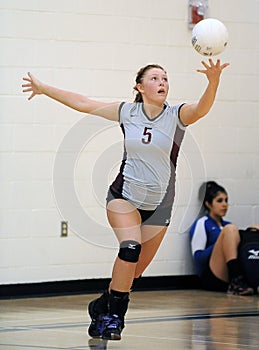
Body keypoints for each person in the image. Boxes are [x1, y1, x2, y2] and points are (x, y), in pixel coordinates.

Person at [22, 59, 229, 340]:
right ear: (140, 87)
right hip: (124, 198)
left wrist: (213, 81)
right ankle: (114, 318)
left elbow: (201, 109)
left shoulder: (176, 115)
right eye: (155, 78)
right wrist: (44, 88)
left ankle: (99, 306)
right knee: (129, 249)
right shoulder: (127, 112)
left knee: (133, 274)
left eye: (165, 78)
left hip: (159, 207)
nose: (162, 83)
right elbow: (84, 103)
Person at [190, 181, 255, 295]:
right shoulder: (202, 223)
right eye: (219, 201)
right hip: (211, 276)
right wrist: (221, 242)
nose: (224, 204)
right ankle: (236, 281)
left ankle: (243, 281)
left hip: (228, 272)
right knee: (230, 229)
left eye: (226, 200)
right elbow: (198, 258)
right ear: (208, 204)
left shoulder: (227, 225)